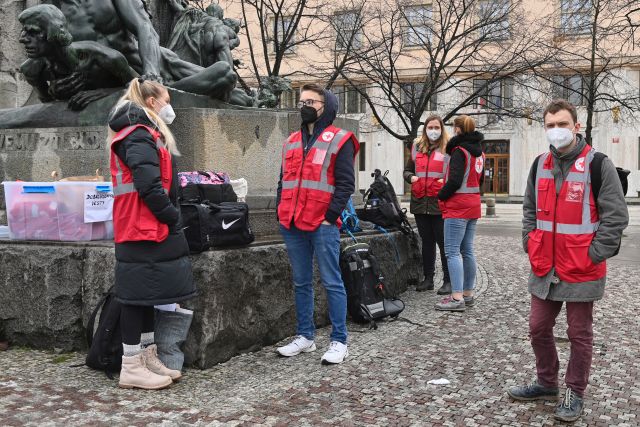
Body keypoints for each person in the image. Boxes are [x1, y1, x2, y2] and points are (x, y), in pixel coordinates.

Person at [507, 99, 629, 422]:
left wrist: (594, 253)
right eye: (550, 125)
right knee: (537, 327)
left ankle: (574, 390)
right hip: (545, 266)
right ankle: (547, 382)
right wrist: (529, 242)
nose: (556, 130)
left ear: (576, 126)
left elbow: (616, 216)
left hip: (581, 268)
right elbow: (529, 211)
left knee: (579, 334)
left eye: (562, 124)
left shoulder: (597, 164)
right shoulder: (539, 165)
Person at [108, 78, 196, 389]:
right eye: (166, 100)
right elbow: (148, 186)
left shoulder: (143, 134)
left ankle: (146, 356)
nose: (169, 107)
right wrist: (172, 217)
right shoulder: (139, 135)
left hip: (143, 224)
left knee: (147, 296)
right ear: (150, 103)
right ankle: (131, 364)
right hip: (141, 225)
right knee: (136, 298)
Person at [275, 83, 359, 364]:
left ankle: (339, 340)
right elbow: (283, 180)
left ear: (327, 107)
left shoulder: (340, 139)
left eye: (311, 101)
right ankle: (305, 337)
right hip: (292, 222)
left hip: (322, 224)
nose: (305, 106)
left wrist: (329, 217)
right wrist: (279, 210)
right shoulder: (290, 141)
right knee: (301, 282)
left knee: (332, 281)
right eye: (302, 101)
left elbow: (346, 184)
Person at [435, 115, 484, 312]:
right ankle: (468, 293)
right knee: (468, 250)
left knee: (452, 251)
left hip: (458, 205)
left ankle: (456, 298)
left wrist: (441, 195)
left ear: (457, 129)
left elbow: (454, 181)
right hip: (473, 204)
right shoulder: (479, 153)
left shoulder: (459, 151)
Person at [403, 115, 451, 294]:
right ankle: (428, 278)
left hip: (439, 203)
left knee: (443, 243)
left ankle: (447, 280)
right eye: (430, 127)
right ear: (425, 129)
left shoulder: (448, 149)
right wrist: (411, 177)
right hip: (419, 201)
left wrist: (444, 181)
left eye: (436, 127)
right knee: (427, 242)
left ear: (441, 128)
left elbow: (454, 173)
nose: (433, 130)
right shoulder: (417, 148)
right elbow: (407, 170)